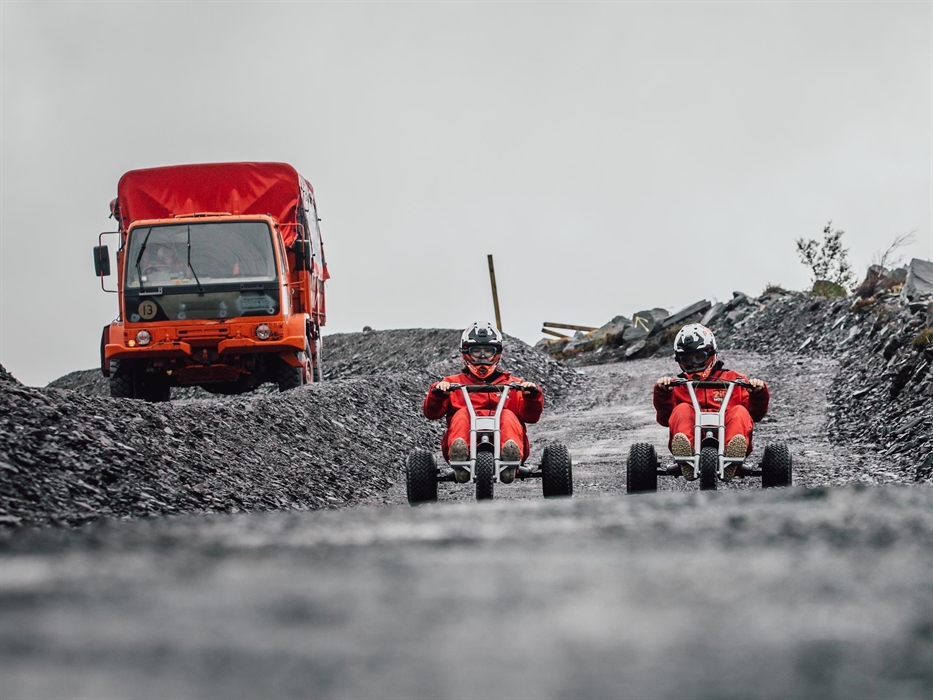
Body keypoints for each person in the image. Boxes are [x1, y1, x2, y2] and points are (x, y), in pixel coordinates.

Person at [423, 322, 543, 484]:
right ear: (466, 353)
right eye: (476, 351)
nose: (482, 356)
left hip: (508, 441)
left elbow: (531, 417)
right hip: (464, 440)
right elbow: (431, 413)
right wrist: (438, 394)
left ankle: (510, 458)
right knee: (462, 414)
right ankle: (460, 458)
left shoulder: (514, 384)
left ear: (496, 353)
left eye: (487, 351)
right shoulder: (451, 383)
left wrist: (531, 396)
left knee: (507, 415)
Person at [653, 323, 770, 481]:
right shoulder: (677, 385)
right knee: (682, 409)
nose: (694, 363)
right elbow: (665, 419)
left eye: (699, 357)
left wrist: (758, 393)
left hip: (728, 433)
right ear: (679, 360)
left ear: (710, 353)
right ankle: (686, 457)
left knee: (740, 411)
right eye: (688, 359)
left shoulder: (735, 380)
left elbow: (755, 415)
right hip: (693, 437)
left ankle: (732, 457)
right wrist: (663, 393)